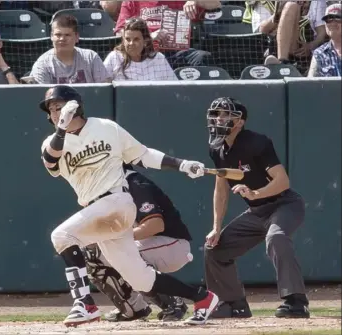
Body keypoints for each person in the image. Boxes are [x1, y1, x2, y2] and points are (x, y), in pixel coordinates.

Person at [39, 85, 219, 326]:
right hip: (98, 212)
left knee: (61, 236)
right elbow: (51, 164)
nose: (54, 112)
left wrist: (182, 164)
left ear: (76, 106)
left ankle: (84, 303)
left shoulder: (105, 127)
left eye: (59, 106)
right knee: (140, 279)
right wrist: (62, 126)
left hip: (116, 200)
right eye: (50, 109)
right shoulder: (51, 142)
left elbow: (143, 155)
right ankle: (203, 297)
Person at [202, 97, 309, 319]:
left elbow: (282, 180)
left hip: (284, 204)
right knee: (215, 249)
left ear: (240, 121)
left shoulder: (257, 142)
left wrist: (255, 193)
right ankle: (233, 304)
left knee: (276, 237)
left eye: (225, 114)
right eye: (216, 114)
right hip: (257, 212)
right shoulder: (216, 149)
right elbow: (220, 189)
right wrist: (216, 227)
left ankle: (296, 301)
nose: (218, 119)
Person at [30, 14, 110, 84]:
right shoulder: (42, 64)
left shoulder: (91, 58)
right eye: (58, 35)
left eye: (67, 35)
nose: (62, 39)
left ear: (77, 37)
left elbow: (105, 90)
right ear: (51, 36)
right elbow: (41, 96)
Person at [104, 17, 177, 81]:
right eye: (128, 39)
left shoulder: (159, 59)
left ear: (145, 41)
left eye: (136, 39)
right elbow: (102, 86)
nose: (131, 43)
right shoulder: (114, 57)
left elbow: (175, 88)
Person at [308, 3, 342, 77]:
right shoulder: (319, 54)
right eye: (328, 19)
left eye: (338, 18)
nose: (333, 23)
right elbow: (310, 85)